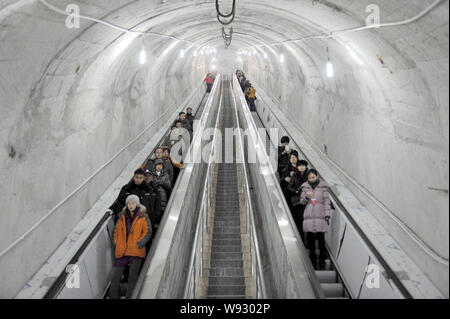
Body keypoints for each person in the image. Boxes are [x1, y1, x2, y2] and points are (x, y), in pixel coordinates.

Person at [110, 195, 151, 299]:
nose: (130, 205)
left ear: (137, 204)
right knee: (115, 278)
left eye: (132, 203)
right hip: (121, 251)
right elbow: (115, 231)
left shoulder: (143, 216)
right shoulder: (121, 216)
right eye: (129, 203)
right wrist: (116, 243)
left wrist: (139, 244)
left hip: (136, 251)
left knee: (132, 279)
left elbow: (147, 232)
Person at [300, 169, 331, 270]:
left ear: (317, 176)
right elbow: (302, 202)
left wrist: (327, 214)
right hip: (309, 217)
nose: (311, 179)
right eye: (309, 178)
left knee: (321, 242)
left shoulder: (323, 188)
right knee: (310, 243)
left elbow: (327, 202)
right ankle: (312, 264)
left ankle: (321, 263)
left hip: (320, 217)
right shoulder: (305, 187)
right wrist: (305, 197)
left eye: (313, 177)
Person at [287, 160, 309, 241]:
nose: (302, 167)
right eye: (300, 166)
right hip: (297, 201)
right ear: (297, 167)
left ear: (306, 167)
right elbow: (289, 187)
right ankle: (300, 240)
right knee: (299, 221)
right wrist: (296, 190)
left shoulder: (309, 177)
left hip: (306, 202)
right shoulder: (294, 176)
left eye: (303, 165)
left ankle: (304, 241)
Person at [152, 159, 172, 225]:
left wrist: (161, 183)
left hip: (162, 196)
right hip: (154, 196)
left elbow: (169, 186)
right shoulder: (151, 175)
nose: (159, 166)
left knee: (161, 212)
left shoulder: (165, 175)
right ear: (155, 166)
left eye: (160, 165)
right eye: (157, 165)